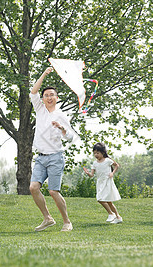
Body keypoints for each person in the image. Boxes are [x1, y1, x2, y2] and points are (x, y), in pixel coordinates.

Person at [29, 67, 74, 232]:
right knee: (33, 188)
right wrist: (44, 74)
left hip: (55, 157)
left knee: (53, 192)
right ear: (43, 98)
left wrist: (62, 128)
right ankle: (48, 218)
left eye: (51, 95)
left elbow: (70, 137)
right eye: (46, 95)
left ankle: (67, 222)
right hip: (41, 158)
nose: (48, 97)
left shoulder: (61, 115)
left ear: (57, 98)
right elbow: (33, 92)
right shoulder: (39, 110)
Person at [83, 143, 123, 224]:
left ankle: (112, 214)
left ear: (103, 153)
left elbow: (117, 165)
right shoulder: (95, 163)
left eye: (97, 153)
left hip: (107, 181)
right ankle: (117, 216)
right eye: (94, 153)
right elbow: (92, 175)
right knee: (105, 200)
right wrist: (87, 173)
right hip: (100, 183)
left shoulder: (108, 161)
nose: (96, 155)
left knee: (102, 199)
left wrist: (112, 173)